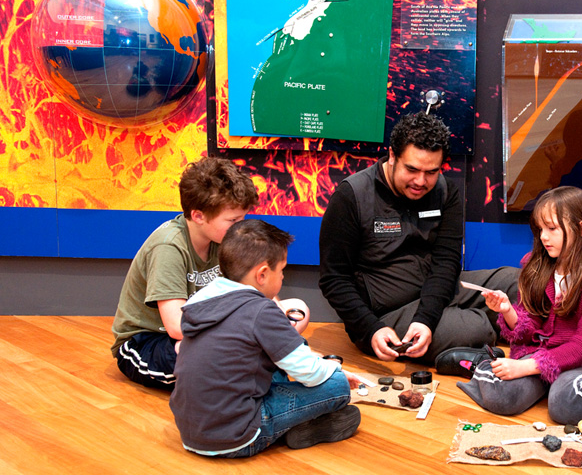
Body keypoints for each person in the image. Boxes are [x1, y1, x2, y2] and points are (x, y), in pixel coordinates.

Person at [318, 112, 518, 365]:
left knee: (519, 283)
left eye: (431, 172)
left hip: (439, 291)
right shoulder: (351, 196)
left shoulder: (445, 191)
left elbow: (447, 262)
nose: (420, 181)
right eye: (411, 169)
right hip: (386, 313)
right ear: (392, 156)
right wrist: (370, 329)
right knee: (470, 330)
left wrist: (426, 318)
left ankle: (468, 322)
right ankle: (484, 325)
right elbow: (334, 279)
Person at [110, 157, 310, 389]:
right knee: (214, 352)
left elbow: (256, 292)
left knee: (296, 310)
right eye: (233, 220)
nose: (239, 226)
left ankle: (254, 368)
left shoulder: (223, 238)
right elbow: (176, 326)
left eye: (242, 218)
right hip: (149, 341)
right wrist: (246, 333)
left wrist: (272, 318)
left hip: (205, 330)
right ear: (198, 216)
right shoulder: (169, 247)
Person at [170, 219, 360, 457]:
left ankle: (299, 425)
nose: (282, 278)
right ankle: (293, 427)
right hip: (238, 435)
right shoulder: (261, 311)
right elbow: (308, 372)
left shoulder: (201, 300)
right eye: (282, 271)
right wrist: (335, 371)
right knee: (337, 386)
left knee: (278, 363)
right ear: (262, 274)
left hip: (191, 432)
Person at [456, 186, 582, 424]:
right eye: (540, 229)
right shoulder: (539, 266)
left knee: (564, 405)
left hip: (581, 360)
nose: (543, 236)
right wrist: (507, 311)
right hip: (539, 355)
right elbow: (530, 325)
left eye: (552, 228)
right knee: (502, 397)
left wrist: (526, 368)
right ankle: (543, 381)